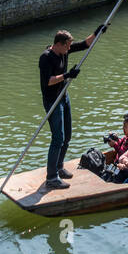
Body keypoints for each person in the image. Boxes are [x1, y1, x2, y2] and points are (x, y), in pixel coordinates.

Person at [38, 26, 103, 190]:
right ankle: (52, 177)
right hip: (53, 100)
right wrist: (67, 76)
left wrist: (97, 32)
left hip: (64, 97)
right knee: (57, 138)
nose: (68, 49)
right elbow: (48, 81)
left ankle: (59, 167)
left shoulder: (64, 51)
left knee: (67, 136)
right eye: (67, 46)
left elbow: (84, 45)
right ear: (58, 44)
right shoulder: (46, 57)